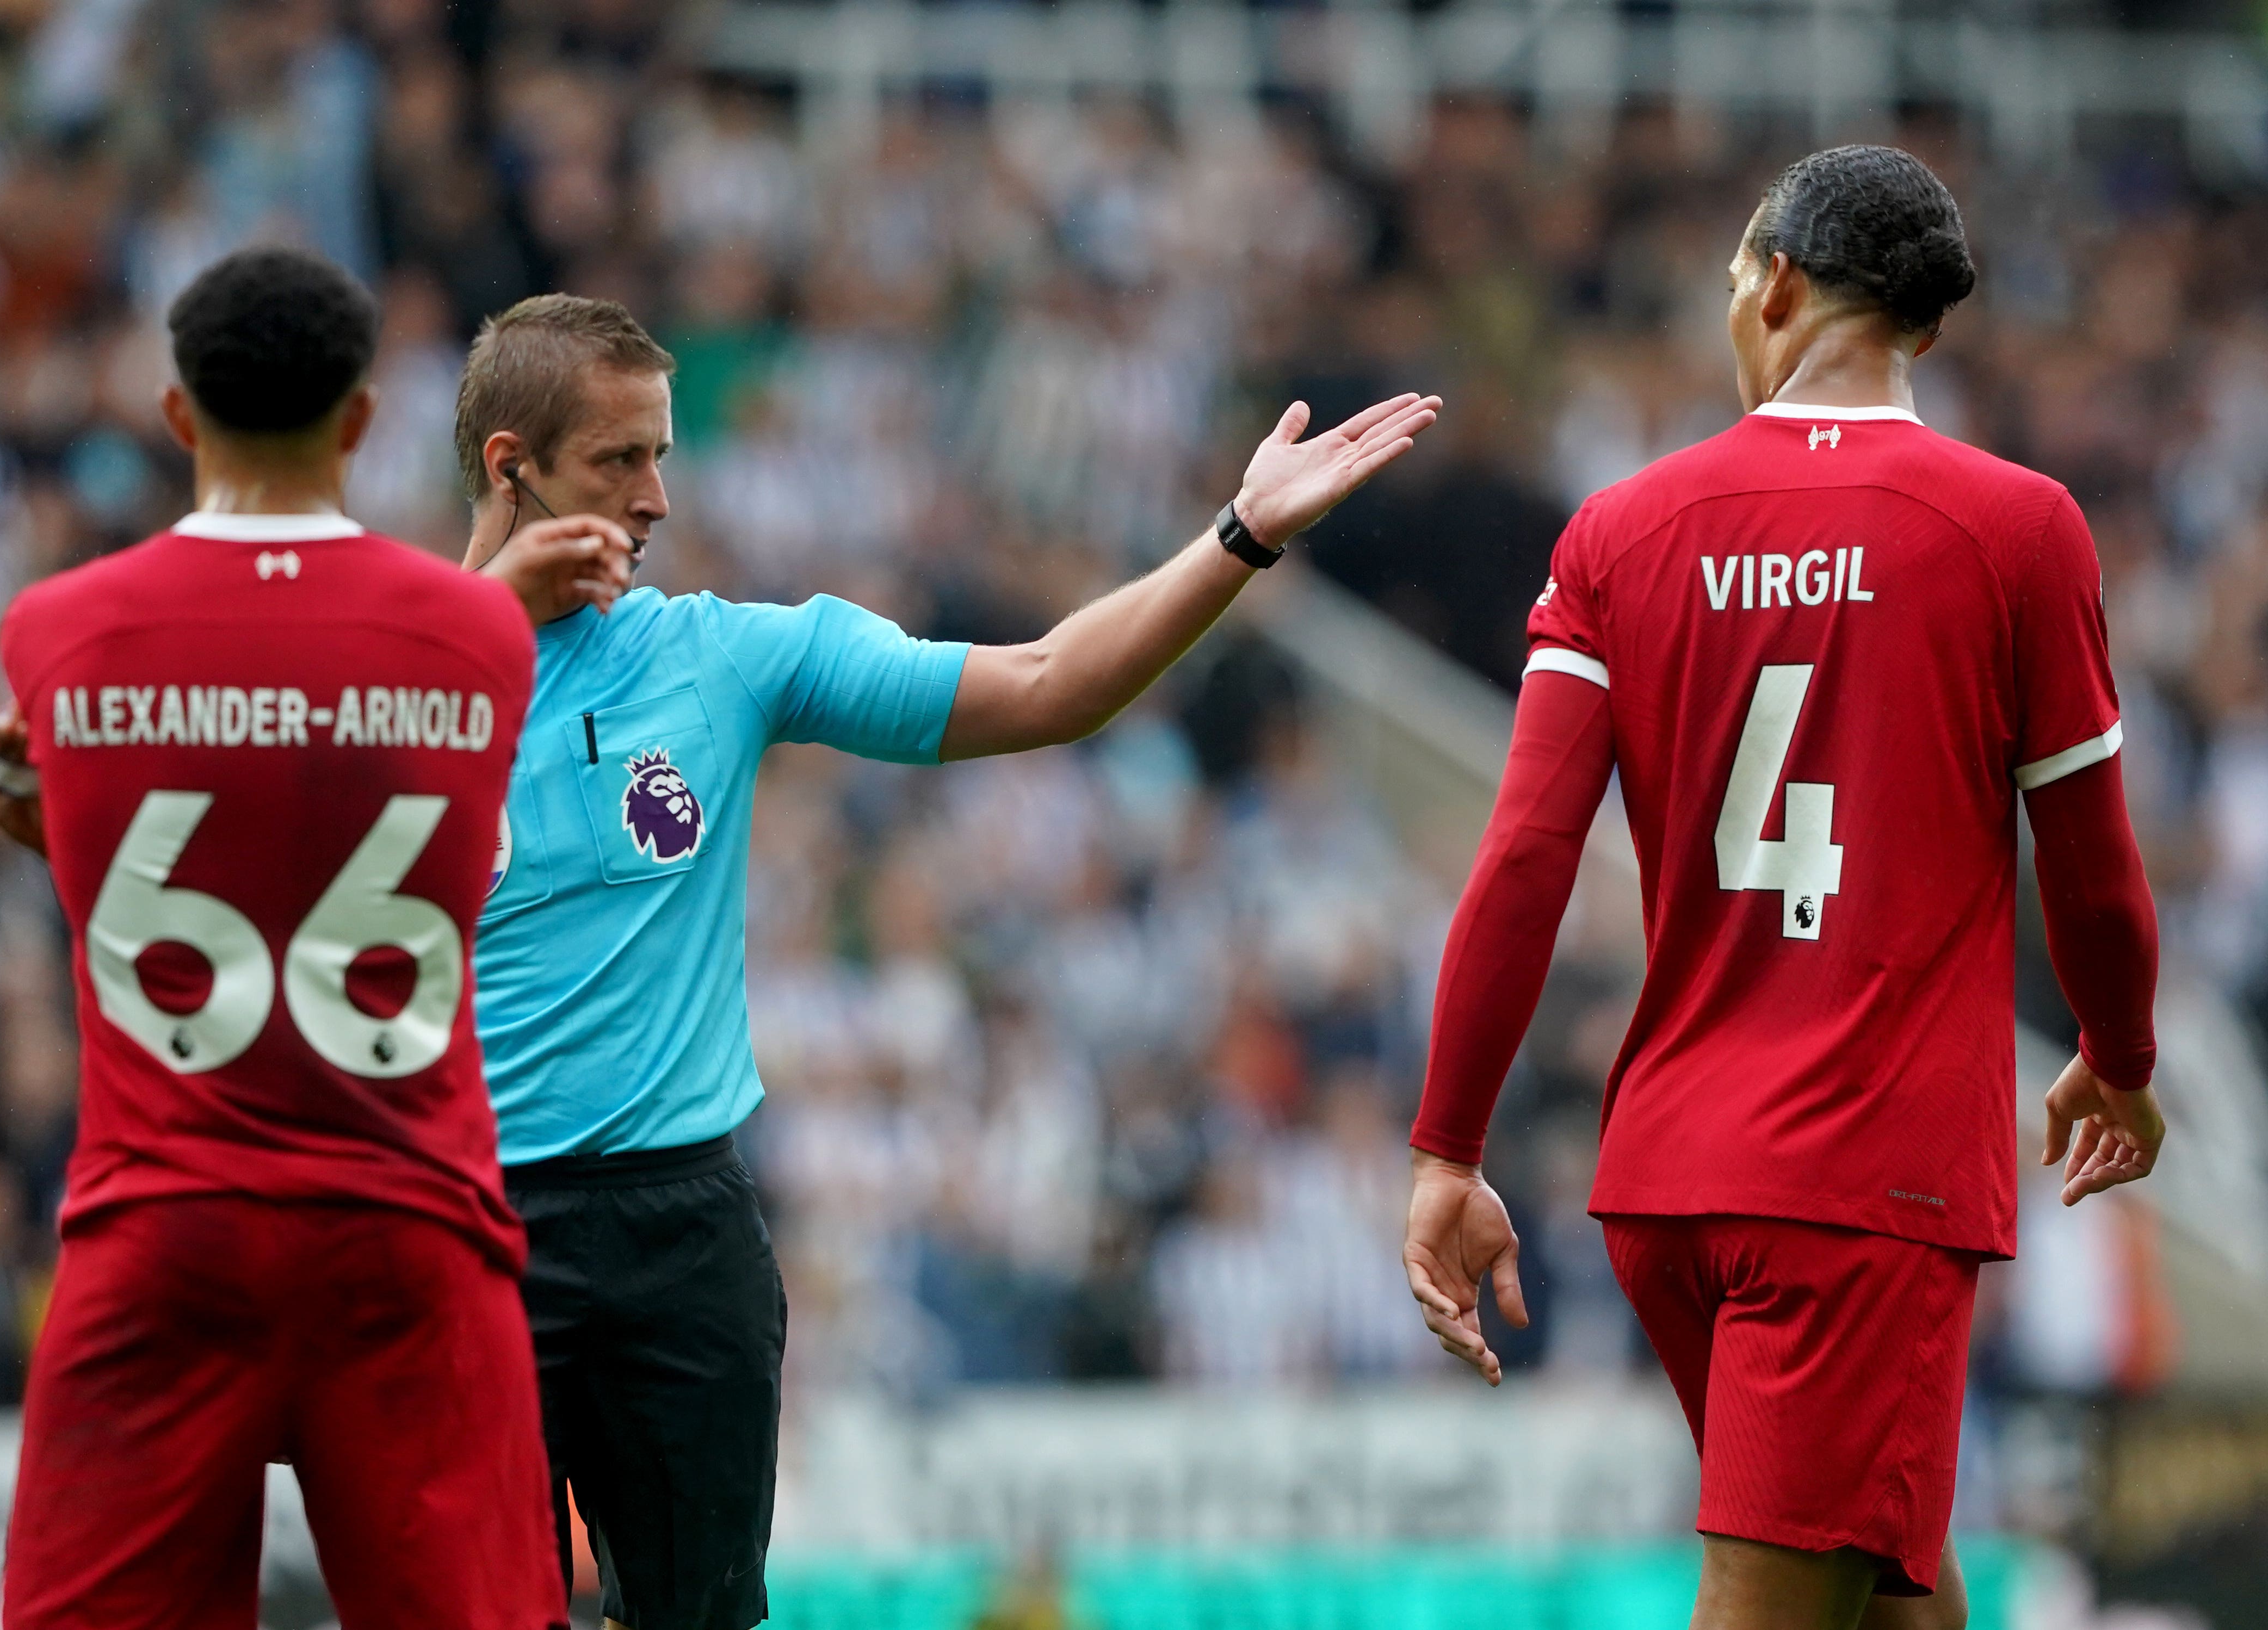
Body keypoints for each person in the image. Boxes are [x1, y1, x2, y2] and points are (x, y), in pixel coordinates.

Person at [450, 294, 1437, 1630]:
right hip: (467, 1228)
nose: (658, 497)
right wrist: (467, 641)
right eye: (619, 462)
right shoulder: (388, 686)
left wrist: (1240, 536)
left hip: (680, 1231)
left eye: (663, 454)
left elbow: (1046, 683)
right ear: (511, 465)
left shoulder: (718, 656)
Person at [1400, 146, 2165, 1630]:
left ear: (1773, 280)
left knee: (1893, 1588)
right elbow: (2097, 870)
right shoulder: (2016, 528)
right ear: (1922, 330)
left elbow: (1524, 859)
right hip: (1857, 1181)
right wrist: (2121, 1059)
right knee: (1781, 1597)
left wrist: (1448, 1141)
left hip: (1672, 1176)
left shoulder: (1618, 532)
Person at [0, 247, 632, 1630]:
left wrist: (43, 809)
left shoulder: (56, 631)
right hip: (406, 1224)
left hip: (162, 1221)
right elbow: (331, 783)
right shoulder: (475, 632)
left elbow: (222, 815)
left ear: (174, 414)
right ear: (361, 422)